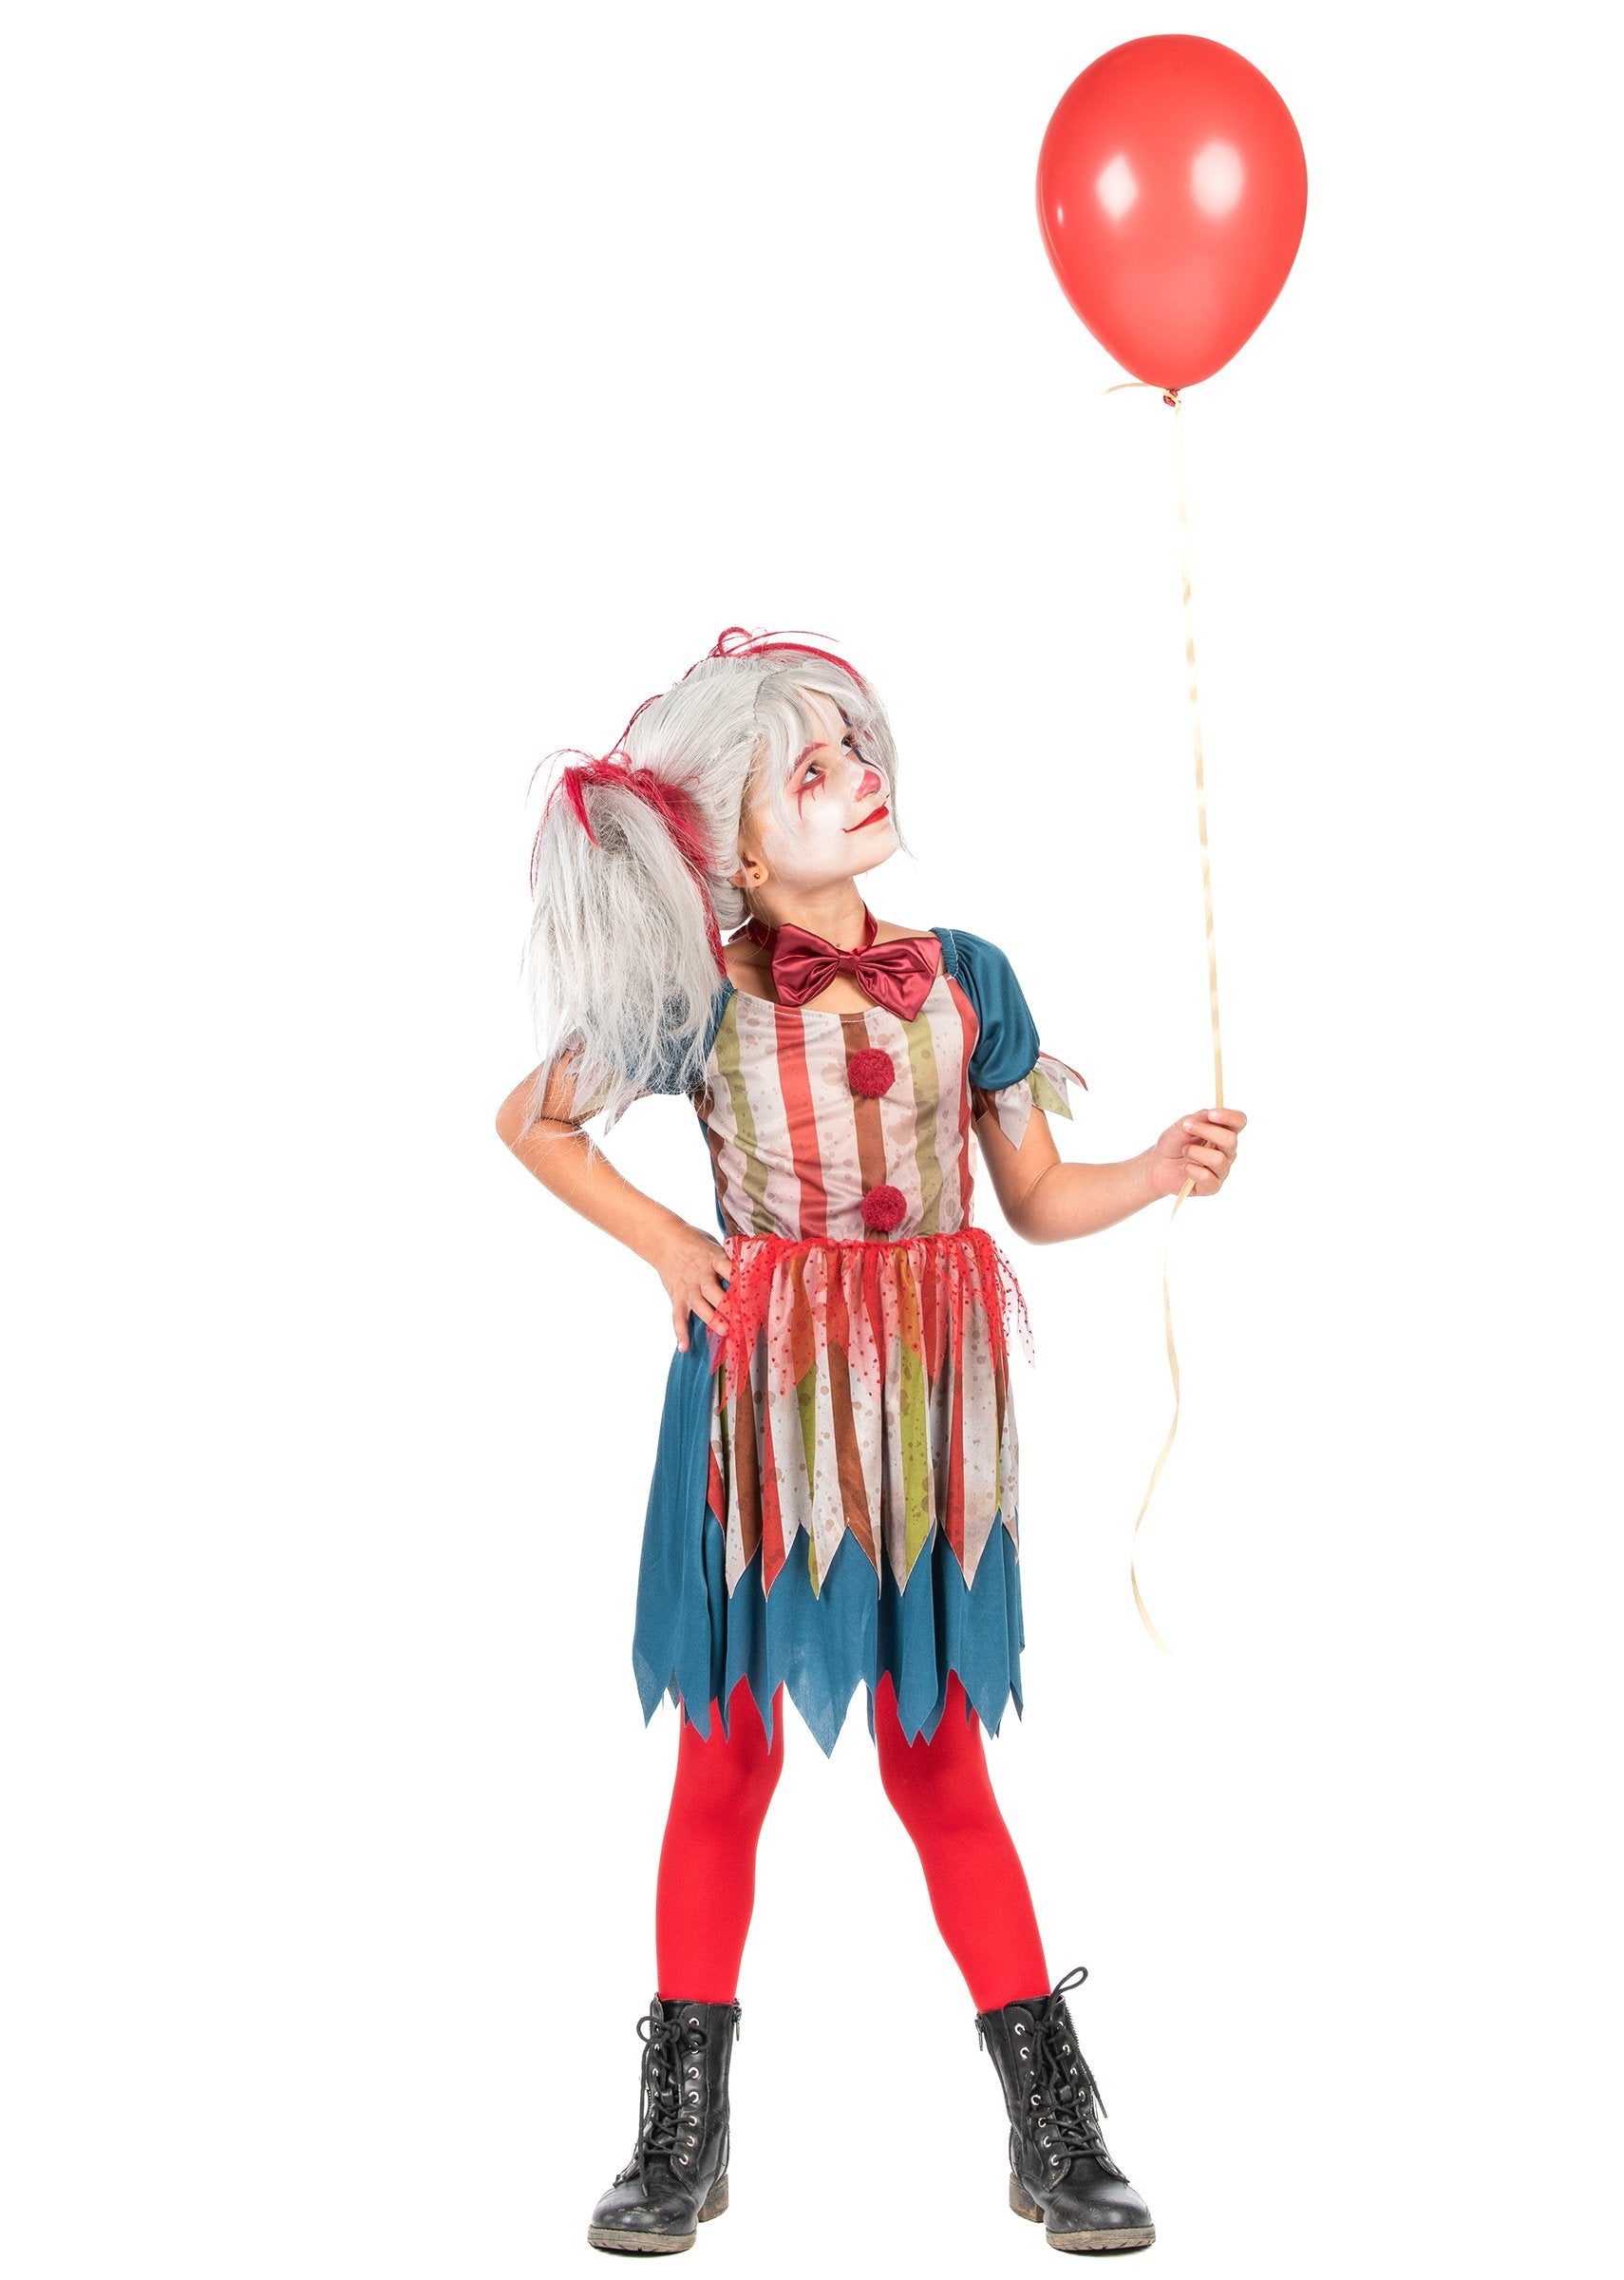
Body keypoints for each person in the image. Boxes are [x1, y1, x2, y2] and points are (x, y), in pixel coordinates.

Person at [495, 626, 1246, 2255]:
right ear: (739, 849)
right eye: (812, 770)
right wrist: (669, 1244)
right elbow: (533, 1121)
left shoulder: (969, 976)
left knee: (937, 1752)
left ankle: (1054, 2127)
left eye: (855, 749)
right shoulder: (701, 996)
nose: (859, 777)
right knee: (727, 1753)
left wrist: (1153, 1168)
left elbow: (1033, 1197)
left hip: (925, 1404)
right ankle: (678, 2135)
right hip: (761, 1399)